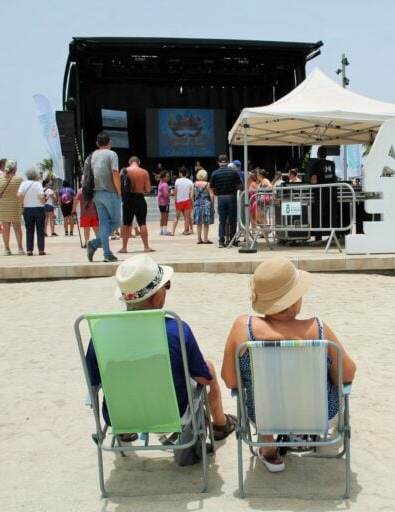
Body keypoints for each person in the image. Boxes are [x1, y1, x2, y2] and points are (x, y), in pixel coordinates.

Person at [84, 254, 237, 463]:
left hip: (120, 416)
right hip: (171, 414)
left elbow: (93, 383)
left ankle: (126, 431)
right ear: (155, 297)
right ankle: (220, 425)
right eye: (167, 286)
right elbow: (202, 379)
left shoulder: (102, 332)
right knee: (207, 368)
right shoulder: (176, 330)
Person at [221, 256, 357, 473]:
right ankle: (304, 426)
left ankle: (267, 445)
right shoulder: (319, 330)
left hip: (264, 416)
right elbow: (347, 375)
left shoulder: (242, 329)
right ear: (294, 301)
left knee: (262, 391)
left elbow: (230, 380)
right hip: (319, 414)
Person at [86, 131, 121, 263]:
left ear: (97, 143)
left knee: (104, 224)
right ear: (109, 142)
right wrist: (119, 191)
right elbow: (115, 173)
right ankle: (95, 243)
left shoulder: (92, 155)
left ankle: (107, 253)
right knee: (117, 222)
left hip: (96, 193)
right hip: (110, 192)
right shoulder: (112, 154)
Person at [118, 156, 154, 253]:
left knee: (126, 224)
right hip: (139, 198)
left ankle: (124, 248)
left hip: (127, 200)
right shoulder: (144, 172)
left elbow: (119, 186)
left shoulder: (124, 171)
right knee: (142, 223)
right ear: (139, 162)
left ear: (130, 162)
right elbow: (148, 189)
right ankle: (146, 247)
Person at [209, 154, 242, 248]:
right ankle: (232, 240)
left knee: (222, 221)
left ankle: (221, 241)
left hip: (221, 198)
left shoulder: (215, 173)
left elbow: (212, 187)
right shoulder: (233, 172)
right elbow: (240, 185)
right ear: (227, 162)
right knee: (232, 221)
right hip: (231, 197)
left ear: (218, 162)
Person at [0, 160, 24, 255]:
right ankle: (20, 248)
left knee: (6, 227)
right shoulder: (19, 179)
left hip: (4, 205)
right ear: (15, 168)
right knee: (17, 227)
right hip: (15, 205)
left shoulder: (0, 179)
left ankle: (6, 249)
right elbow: (22, 192)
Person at [309, 146, 337, 242]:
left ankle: (318, 237)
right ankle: (333, 235)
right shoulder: (332, 164)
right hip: (332, 192)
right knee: (332, 214)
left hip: (320, 193)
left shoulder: (315, 164)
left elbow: (314, 180)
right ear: (326, 154)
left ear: (317, 154)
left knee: (318, 214)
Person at [18, 168, 47, 256]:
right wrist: (44, 202)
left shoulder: (23, 183)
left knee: (29, 230)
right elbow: (41, 195)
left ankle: (29, 250)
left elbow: (19, 194)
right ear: (35, 175)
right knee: (40, 230)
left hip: (27, 209)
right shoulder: (38, 184)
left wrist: (23, 203)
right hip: (39, 209)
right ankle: (41, 249)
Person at [73, 176, 98, 244]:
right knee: (96, 229)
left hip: (85, 214)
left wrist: (73, 210)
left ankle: (87, 242)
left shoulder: (81, 191)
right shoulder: (94, 190)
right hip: (95, 213)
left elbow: (75, 201)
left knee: (86, 229)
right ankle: (99, 242)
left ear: (82, 182)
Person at [192, 168, 214, 244]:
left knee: (199, 222)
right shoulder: (207, 184)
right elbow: (211, 195)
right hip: (206, 203)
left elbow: (191, 195)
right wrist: (212, 204)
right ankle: (205, 239)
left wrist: (194, 203)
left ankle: (199, 239)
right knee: (206, 222)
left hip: (197, 203)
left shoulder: (194, 184)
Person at [171, 167, 194, 236]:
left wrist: (175, 200)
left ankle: (173, 231)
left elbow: (176, 192)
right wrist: (192, 202)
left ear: (180, 173)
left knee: (176, 217)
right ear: (186, 173)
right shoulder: (190, 182)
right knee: (187, 217)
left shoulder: (177, 181)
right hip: (187, 201)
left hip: (179, 201)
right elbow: (191, 194)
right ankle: (186, 231)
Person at [157, 171, 171, 236]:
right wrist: (173, 194)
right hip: (165, 202)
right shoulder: (165, 184)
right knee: (165, 216)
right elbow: (166, 195)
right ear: (164, 177)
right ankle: (165, 231)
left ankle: (161, 230)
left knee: (162, 216)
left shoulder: (160, 183)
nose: (169, 177)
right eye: (167, 176)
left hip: (160, 202)